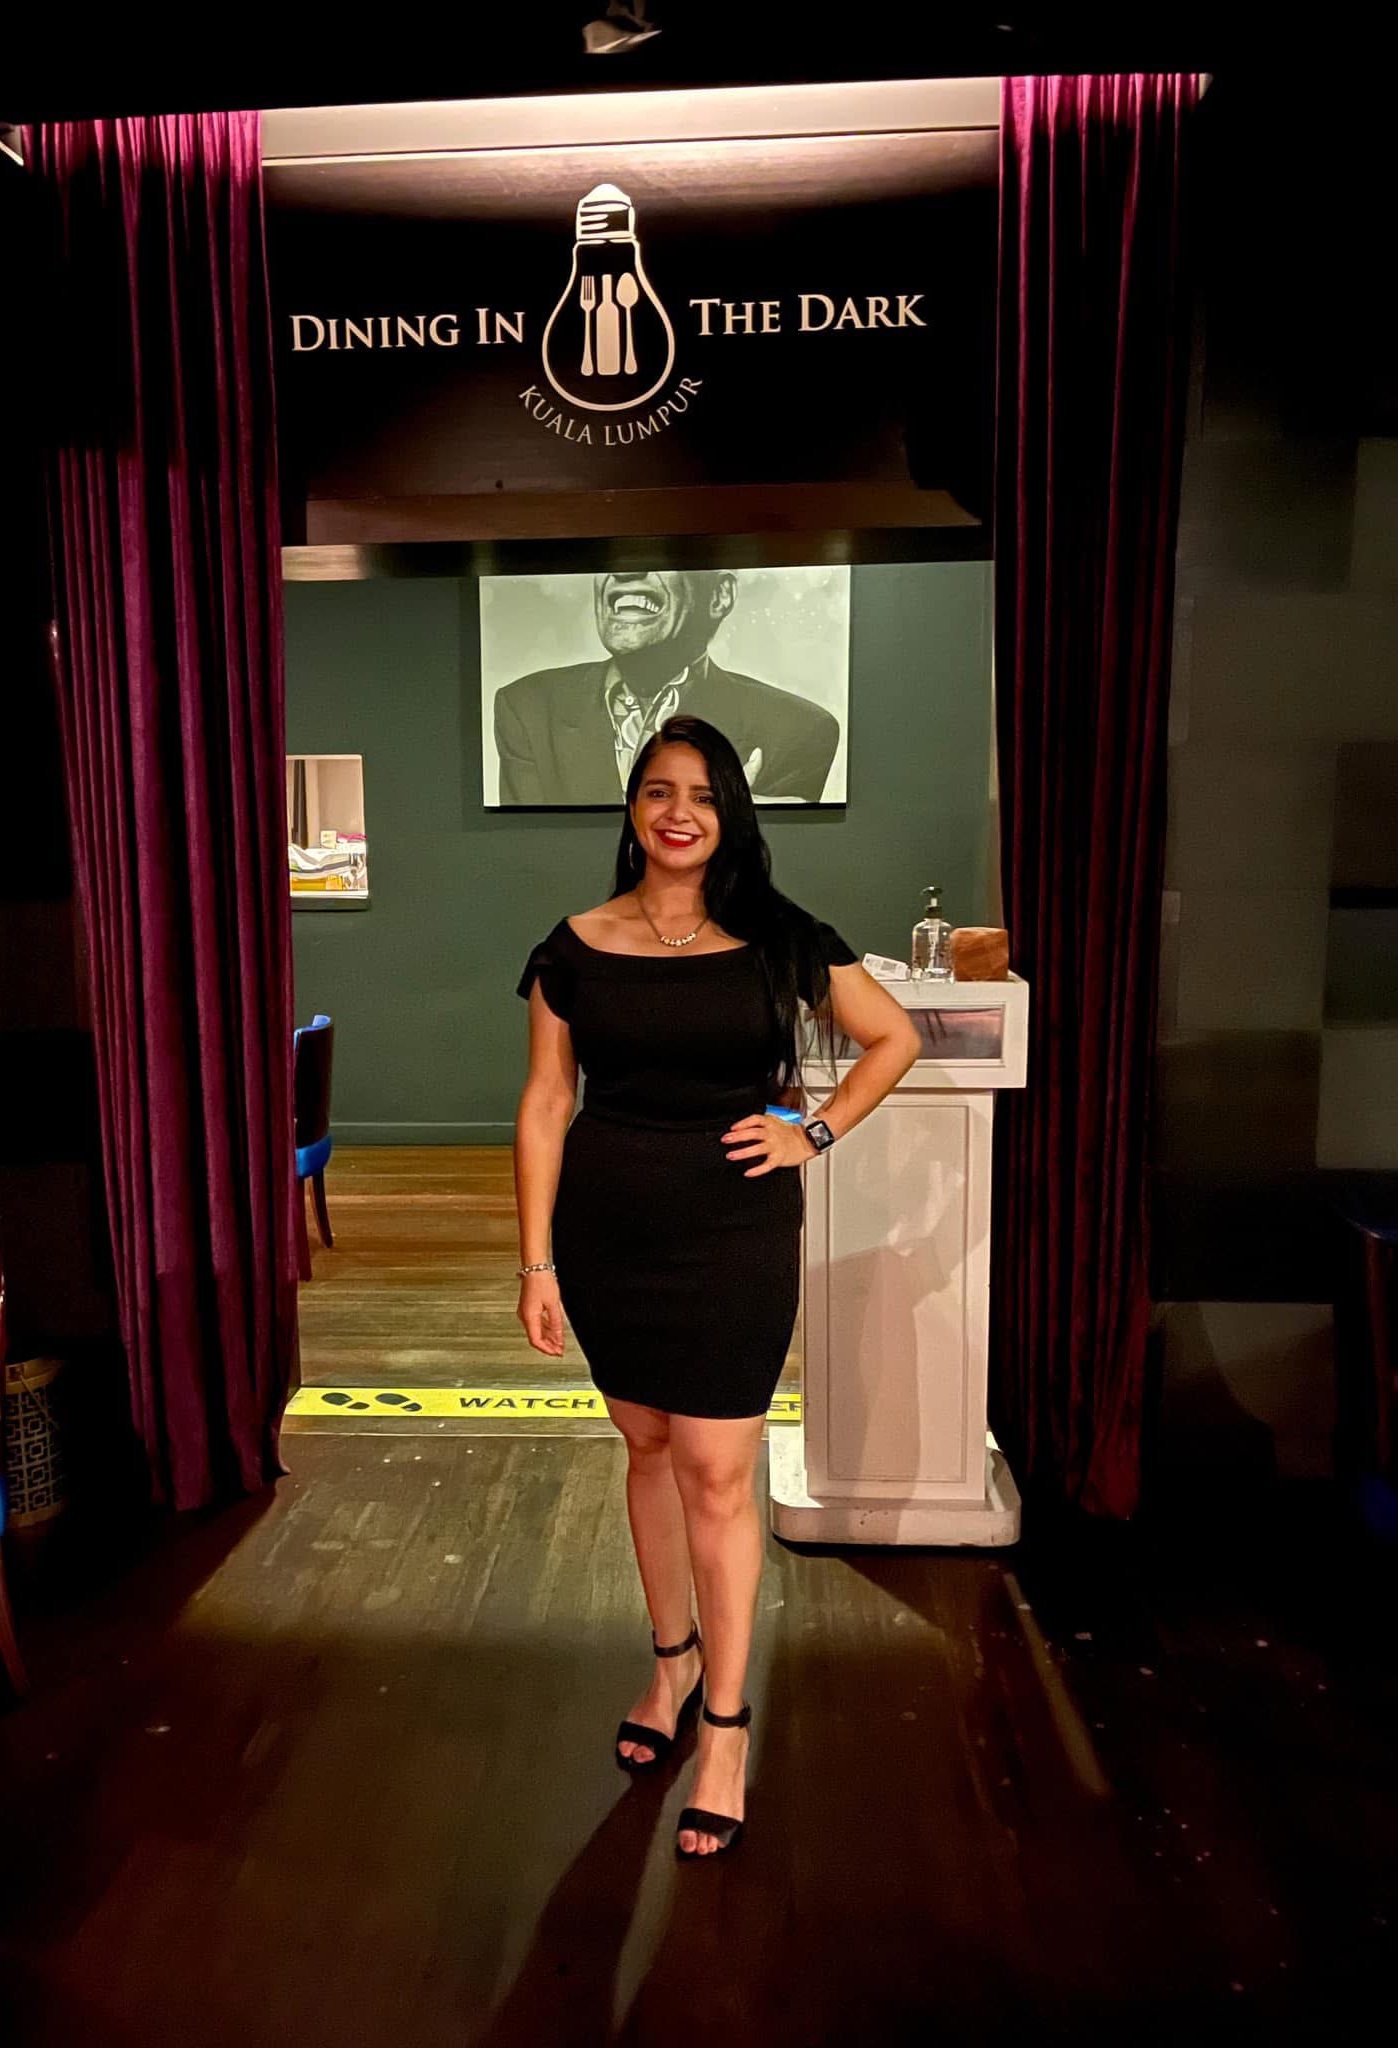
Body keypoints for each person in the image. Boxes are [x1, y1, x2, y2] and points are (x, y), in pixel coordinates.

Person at [512, 713, 921, 1859]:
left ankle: (728, 1728)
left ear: (729, 812)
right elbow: (545, 1103)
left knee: (716, 1469)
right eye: (658, 789)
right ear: (633, 807)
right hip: (609, 1235)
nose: (677, 810)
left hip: (736, 1231)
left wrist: (813, 1131)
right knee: (646, 1447)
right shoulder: (573, 947)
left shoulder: (780, 935)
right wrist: (535, 1260)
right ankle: (672, 1666)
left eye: (700, 792)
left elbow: (892, 1037)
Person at [493, 570, 842, 806]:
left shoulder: (796, 730)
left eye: (660, 555)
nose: (625, 572)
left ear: (719, 596)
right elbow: (530, 856)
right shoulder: (527, 708)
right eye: (613, 559)